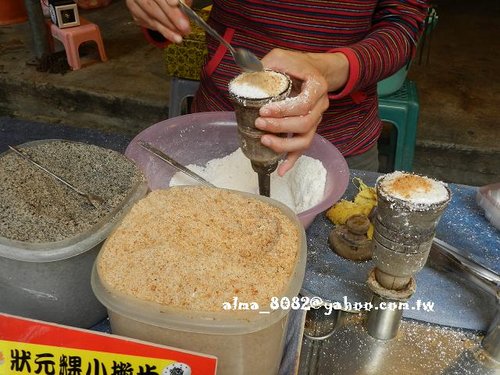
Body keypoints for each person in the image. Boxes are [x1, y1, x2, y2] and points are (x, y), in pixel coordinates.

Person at [127, 0, 429, 175]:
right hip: (221, 126)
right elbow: (175, 10)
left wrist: (327, 69)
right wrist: (160, 11)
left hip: (340, 137)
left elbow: (401, 26)